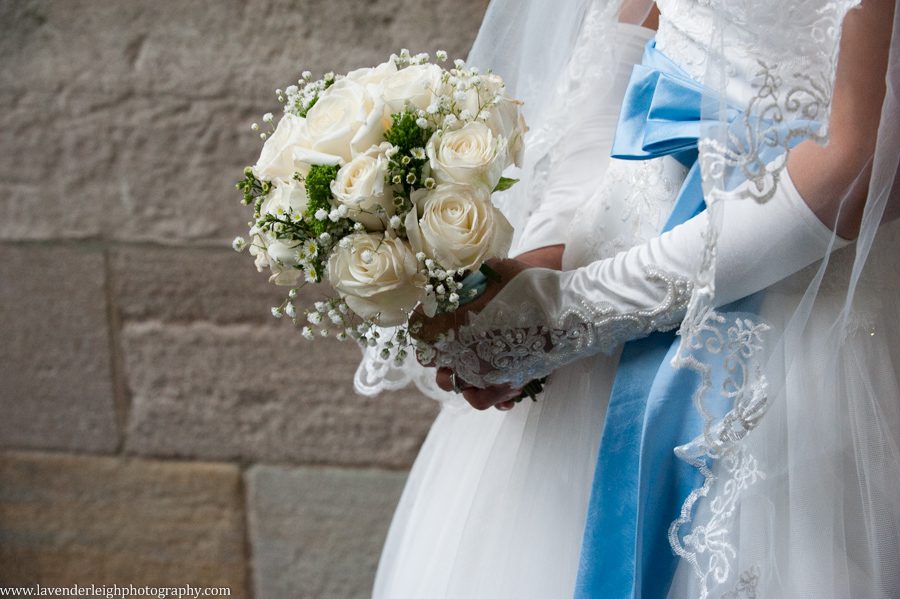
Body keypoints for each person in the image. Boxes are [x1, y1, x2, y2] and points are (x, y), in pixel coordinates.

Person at [361, 0, 899, 597]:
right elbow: (625, 45)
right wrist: (547, 254)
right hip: (611, 251)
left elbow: (862, 163)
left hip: (793, 310)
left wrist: (573, 311)